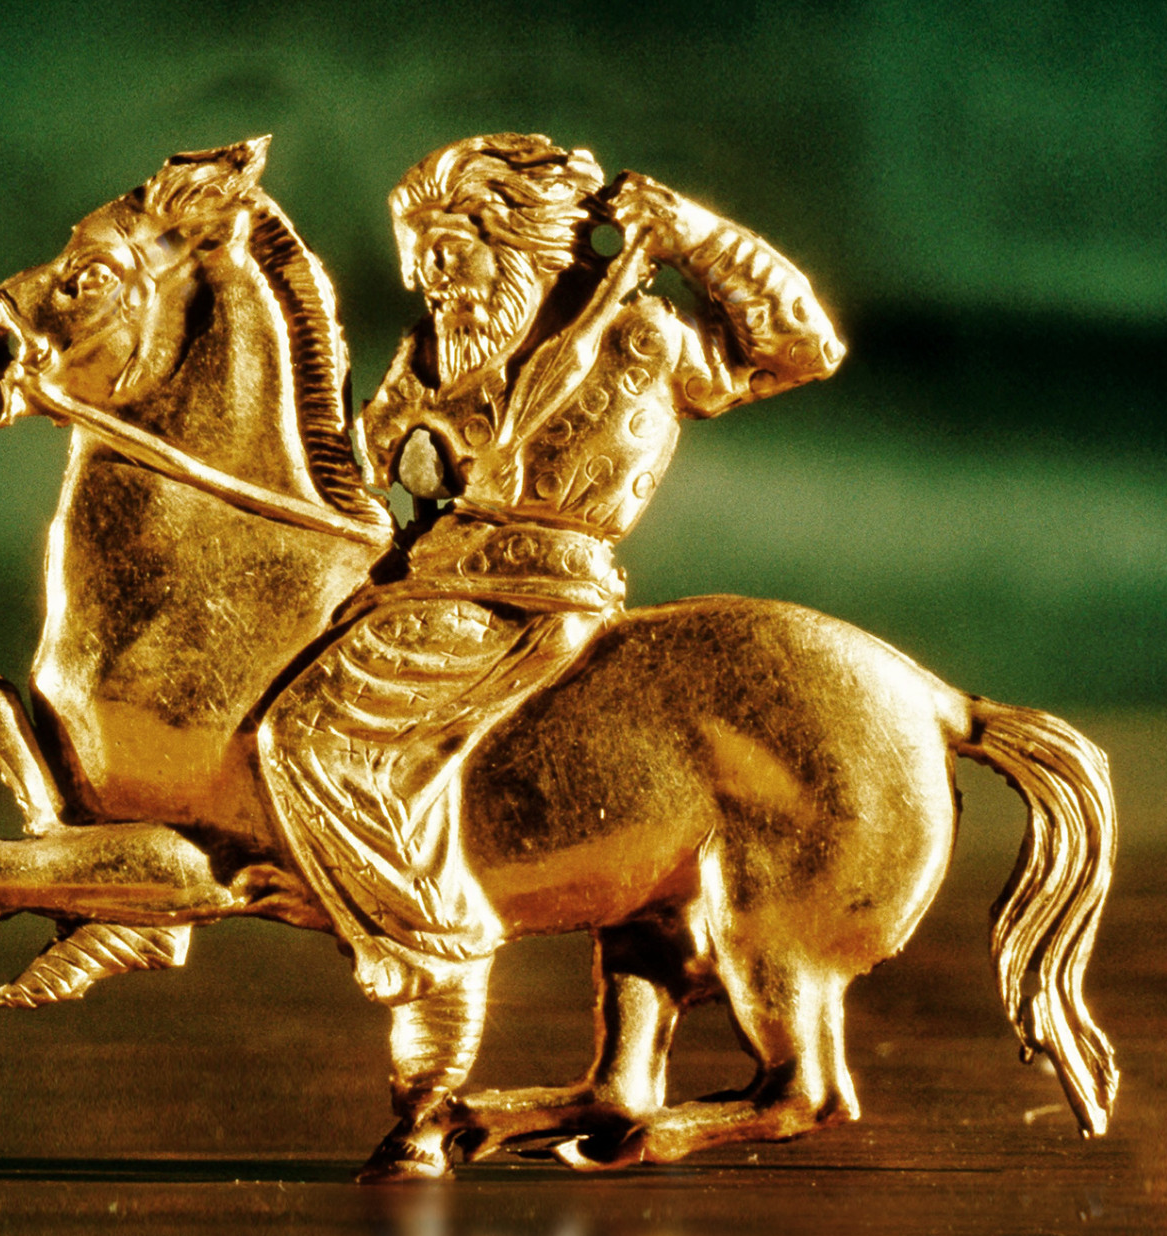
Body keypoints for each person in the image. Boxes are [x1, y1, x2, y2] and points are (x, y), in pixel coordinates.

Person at [258, 133, 846, 1025]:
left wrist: (696, 237)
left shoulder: (638, 336)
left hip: (524, 599)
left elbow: (804, 347)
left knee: (310, 734)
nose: (425, 279)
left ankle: (427, 942)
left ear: (511, 243)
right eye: (417, 258)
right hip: (411, 583)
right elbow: (369, 460)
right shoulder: (432, 348)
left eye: (446, 253)